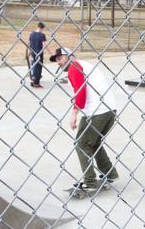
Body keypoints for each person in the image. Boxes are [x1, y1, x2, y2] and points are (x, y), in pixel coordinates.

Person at [51, 47, 123, 199]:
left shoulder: (74, 67)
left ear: (70, 56)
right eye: (56, 60)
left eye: (60, 58)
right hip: (109, 109)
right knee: (94, 142)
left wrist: (74, 114)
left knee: (81, 144)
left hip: (96, 111)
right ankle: (109, 173)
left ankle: (90, 182)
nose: (58, 62)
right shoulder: (83, 65)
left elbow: (80, 91)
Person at [26, 22, 47, 88]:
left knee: (34, 64)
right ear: (42, 28)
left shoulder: (32, 34)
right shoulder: (42, 35)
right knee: (38, 67)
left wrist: (29, 52)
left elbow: (29, 44)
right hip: (39, 53)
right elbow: (44, 45)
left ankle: (34, 76)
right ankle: (36, 82)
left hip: (33, 52)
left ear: (37, 26)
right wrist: (51, 53)